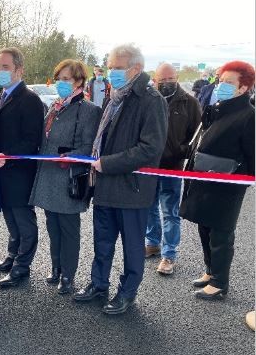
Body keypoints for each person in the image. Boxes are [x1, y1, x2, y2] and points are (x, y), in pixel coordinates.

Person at [73, 44, 168, 314]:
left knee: (132, 247)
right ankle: (98, 284)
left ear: (135, 69)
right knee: (102, 242)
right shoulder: (115, 96)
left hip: (131, 188)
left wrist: (107, 164)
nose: (110, 71)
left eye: (116, 67)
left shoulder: (151, 100)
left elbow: (150, 148)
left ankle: (127, 292)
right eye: (110, 65)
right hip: (105, 185)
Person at [180, 61, 254, 300]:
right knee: (205, 227)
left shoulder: (249, 115)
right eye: (220, 81)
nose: (221, 86)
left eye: (229, 82)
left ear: (243, 88)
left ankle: (220, 283)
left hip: (227, 185)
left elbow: (253, 157)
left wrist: (239, 180)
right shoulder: (217, 109)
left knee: (221, 233)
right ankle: (211, 271)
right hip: (204, 178)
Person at [30, 59, 102, 294]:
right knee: (53, 226)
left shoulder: (89, 110)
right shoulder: (55, 107)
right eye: (59, 79)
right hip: (49, 176)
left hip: (69, 179)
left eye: (66, 79)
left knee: (69, 230)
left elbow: (88, 145)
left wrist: (69, 156)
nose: (61, 84)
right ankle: (56, 268)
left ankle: (68, 276)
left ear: (79, 81)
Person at [0, 47, 45, 288]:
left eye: (5, 67)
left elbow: (32, 140)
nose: (0, 71)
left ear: (19, 70)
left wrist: (8, 156)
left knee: (23, 220)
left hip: (19, 171)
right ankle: (12, 257)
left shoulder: (30, 99)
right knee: (10, 219)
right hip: (0, 170)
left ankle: (22, 266)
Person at [145, 63, 201, 275]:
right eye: (162, 80)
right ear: (155, 79)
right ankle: (152, 243)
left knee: (170, 211)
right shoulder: (148, 100)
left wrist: (182, 151)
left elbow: (197, 135)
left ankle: (169, 255)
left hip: (172, 167)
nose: (166, 83)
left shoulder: (190, 103)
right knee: (149, 207)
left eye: (171, 79)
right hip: (149, 167)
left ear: (177, 78)